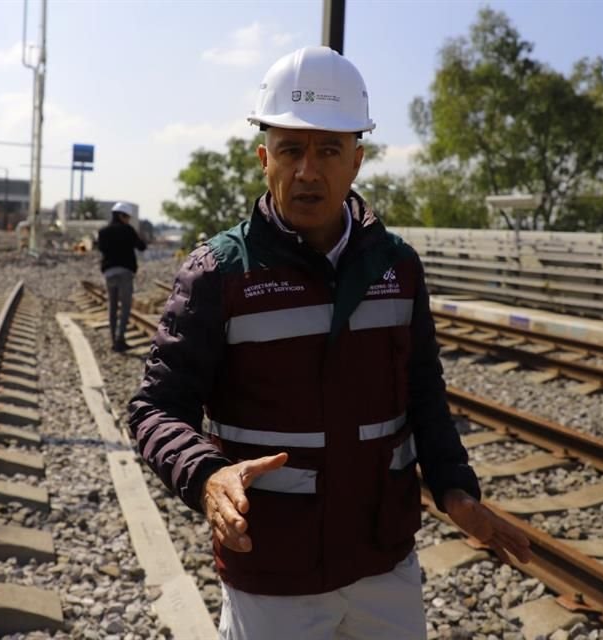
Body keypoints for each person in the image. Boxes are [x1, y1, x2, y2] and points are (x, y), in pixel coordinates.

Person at [128, 46, 531, 639]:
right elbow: (155, 407)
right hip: (273, 573)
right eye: (291, 150)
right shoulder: (219, 272)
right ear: (264, 159)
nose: (307, 170)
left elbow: (423, 394)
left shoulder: (398, 267)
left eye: (328, 150)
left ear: (357, 161)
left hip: (383, 563)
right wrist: (206, 474)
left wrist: (455, 490)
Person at [97, 201, 146, 352]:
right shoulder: (128, 230)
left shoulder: (103, 232)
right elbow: (142, 247)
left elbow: (100, 248)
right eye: (127, 216)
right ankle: (120, 339)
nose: (128, 219)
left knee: (112, 307)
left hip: (109, 273)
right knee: (125, 307)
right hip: (125, 273)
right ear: (121, 216)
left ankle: (113, 340)